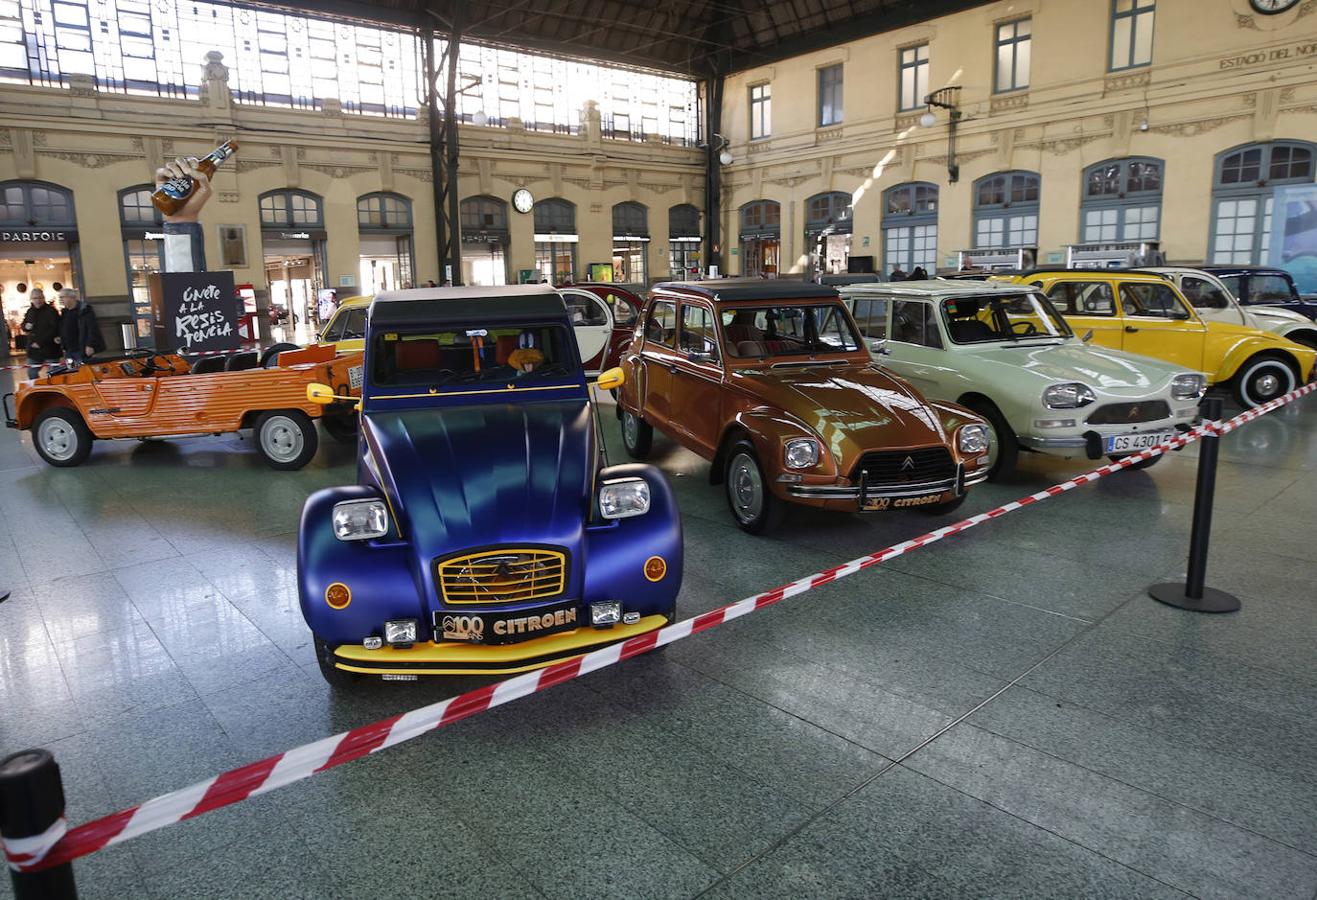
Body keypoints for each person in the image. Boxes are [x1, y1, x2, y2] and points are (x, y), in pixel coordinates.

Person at [57, 288, 104, 366]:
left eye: (63, 297)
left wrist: (90, 345)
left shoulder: (84, 310)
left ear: (71, 297)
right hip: (69, 350)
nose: (61, 300)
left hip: (81, 348)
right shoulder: (65, 312)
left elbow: (92, 328)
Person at [21, 287, 60, 379]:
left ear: (43, 298)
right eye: (35, 298)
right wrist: (25, 326)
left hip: (50, 347)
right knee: (31, 372)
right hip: (34, 350)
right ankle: (37, 390)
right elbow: (24, 324)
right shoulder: (30, 311)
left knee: (54, 373)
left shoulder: (51, 311)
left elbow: (54, 329)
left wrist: (39, 342)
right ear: (31, 299)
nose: (37, 301)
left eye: (39, 298)